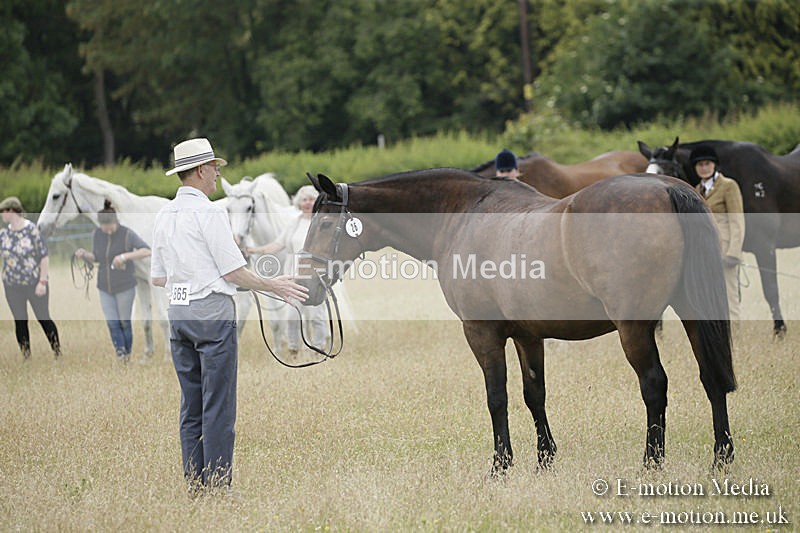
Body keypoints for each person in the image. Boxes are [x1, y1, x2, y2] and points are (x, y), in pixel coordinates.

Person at [151, 137, 308, 492]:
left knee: (191, 406)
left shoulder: (163, 215)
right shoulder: (210, 213)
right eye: (216, 169)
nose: (218, 176)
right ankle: (219, 487)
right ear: (202, 170)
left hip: (178, 315)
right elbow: (233, 272)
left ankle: (195, 485)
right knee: (218, 407)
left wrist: (189, 276)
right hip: (212, 315)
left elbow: (159, 277)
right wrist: (275, 285)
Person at [246, 185, 329, 355]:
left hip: (315, 277)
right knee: (292, 316)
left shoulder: (322, 222)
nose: (307, 203)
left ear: (317, 201)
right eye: (304, 199)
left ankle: (319, 348)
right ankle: (293, 349)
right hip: (294, 276)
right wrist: (255, 250)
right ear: (299, 202)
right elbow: (278, 244)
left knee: (315, 316)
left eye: (311, 199)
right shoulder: (294, 223)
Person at [74, 200, 151, 362]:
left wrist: (124, 256)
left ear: (115, 222)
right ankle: (120, 354)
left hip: (125, 286)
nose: (107, 230)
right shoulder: (97, 235)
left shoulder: (127, 234)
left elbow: (146, 250)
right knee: (112, 323)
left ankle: (126, 354)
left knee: (124, 322)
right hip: (104, 286)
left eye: (110, 226)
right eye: (104, 227)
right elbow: (96, 256)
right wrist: (85, 255)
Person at [0, 196, 61, 359]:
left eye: (3, 211)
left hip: (34, 284)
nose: (1, 215)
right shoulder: (4, 234)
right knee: (20, 321)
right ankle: (26, 356)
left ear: (12, 211)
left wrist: (42, 281)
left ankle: (57, 352)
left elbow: (44, 257)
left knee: (43, 318)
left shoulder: (33, 231)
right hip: (12, 286)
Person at [691, 145, 745, 321]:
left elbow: (737, 221)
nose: (704, 168)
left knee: (729, 298)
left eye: (707, 163)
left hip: (725, 250)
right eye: (700, 164)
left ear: (714, 165)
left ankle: (735, 337)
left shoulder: (728, 186)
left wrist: (733, 253)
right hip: (702, 253)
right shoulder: (695, 190)